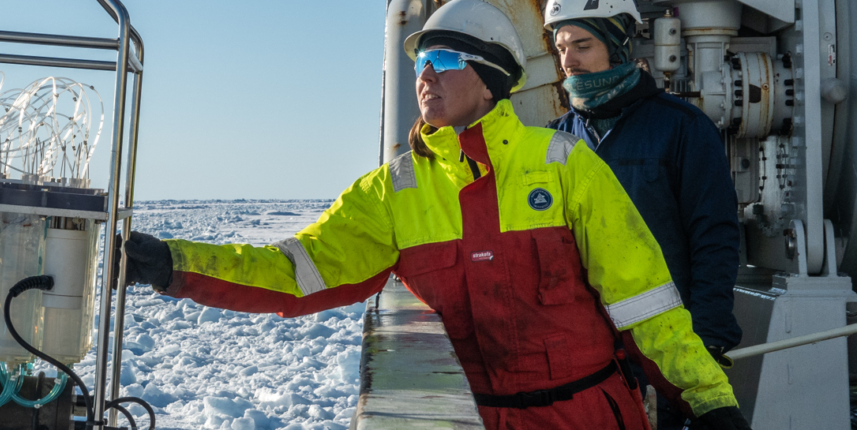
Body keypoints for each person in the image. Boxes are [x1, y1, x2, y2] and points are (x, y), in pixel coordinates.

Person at [116, 1, 750, 428]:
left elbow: (646, 305)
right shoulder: (393, 191)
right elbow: (297, 272)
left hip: (581, 415)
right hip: (466, 417)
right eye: (421, 64)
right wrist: (175, 264)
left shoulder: (564, 165)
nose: (425, 78)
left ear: (493, 75)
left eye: (444, 62)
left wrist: (708, 398)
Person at [541, 1, 744, 427]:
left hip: (660, 355)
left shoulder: (681, 128)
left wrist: (704, 339)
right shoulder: (551, 143)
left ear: (618, 47)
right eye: (560, 48)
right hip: (580, 360)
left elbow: (714, 237)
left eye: (582, 44)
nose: (569, 61)